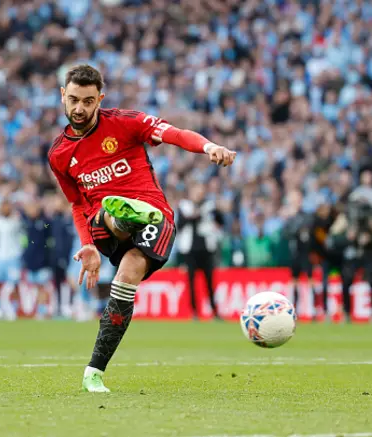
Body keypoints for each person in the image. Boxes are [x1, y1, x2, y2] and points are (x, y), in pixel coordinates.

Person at [48, 65, 236, 392]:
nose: (80, 109)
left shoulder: (125, 122)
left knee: (126, 277)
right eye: (74, 100)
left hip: (157, 220)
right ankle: (119, 217)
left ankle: (94, 371)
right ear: (63, 96)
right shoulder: (59, 155)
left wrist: (208, 147)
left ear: (100, 99)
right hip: (103, 232)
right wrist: (87, 245)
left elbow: (174, 133)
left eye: (89, 101)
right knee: (103, 212)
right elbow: (77, 204)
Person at [177, 182, 223, 320]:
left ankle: (214, 311)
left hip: (207, 248)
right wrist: (193, 216)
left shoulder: (210, 206)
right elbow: (179, 225)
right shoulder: (184, 206)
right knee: (191, 281)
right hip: (190, 250)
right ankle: (194, 312)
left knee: (209, 281)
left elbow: (220, 221)